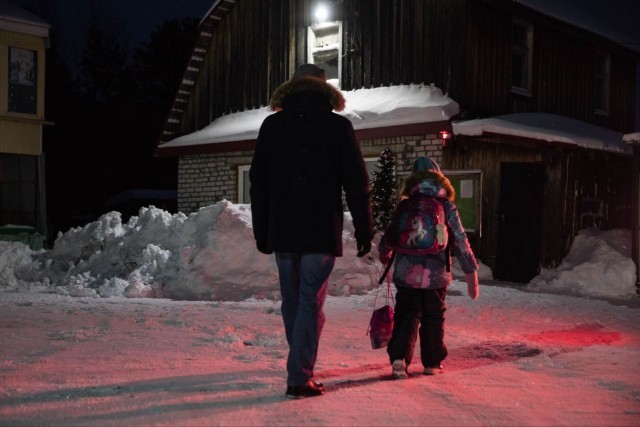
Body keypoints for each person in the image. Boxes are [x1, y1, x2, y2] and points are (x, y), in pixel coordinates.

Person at [250, 63, 374, 399]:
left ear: (291, 88)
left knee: (293, 301)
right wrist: (365, 228)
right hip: (320, 229)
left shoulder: (272, 125)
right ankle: (299, 375)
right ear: (324, 90)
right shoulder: (337, 126)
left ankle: (300, 363)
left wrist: (262, 230)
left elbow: (258, 183)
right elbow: (357, 184)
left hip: (283, 230)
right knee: (308, 303)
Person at [378, 156, 479, 379]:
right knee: (434, 316)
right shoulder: (446, 205)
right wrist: (471, 271)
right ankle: (432, 362)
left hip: (406, 274)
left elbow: (391, 234)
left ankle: (399, 359)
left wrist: (384, 253)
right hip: (436, 275)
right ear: (438, 176)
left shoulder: (405, 204)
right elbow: (460, 240)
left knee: (406, 314)